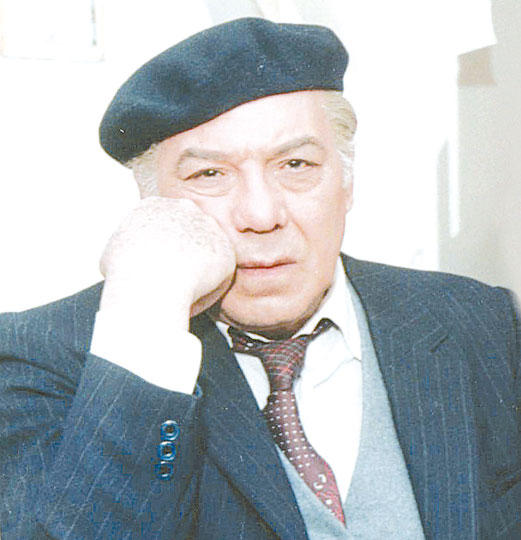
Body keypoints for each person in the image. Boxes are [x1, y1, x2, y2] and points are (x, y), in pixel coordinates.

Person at [0, 17, 520, 540]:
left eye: (295, 165)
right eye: (210, 175)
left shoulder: (479, 321)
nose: (261, 214)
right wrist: (147, 315)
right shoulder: (42, 356)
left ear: (347, 182)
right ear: (153, 205)